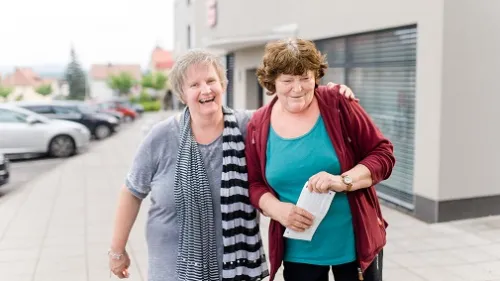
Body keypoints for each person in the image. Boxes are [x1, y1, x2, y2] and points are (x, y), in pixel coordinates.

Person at [108, 49, 357, 281]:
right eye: (194, 85)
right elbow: (131, 191)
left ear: (223, 85)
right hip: (172, 269)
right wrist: (117, 251)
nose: (205, 90)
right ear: (182, 94)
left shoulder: (251, 125)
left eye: (210, 81)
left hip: (235, 270)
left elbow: (292, 102)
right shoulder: (161, 136)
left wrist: (329, 93)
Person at [245, 38, 396, 281]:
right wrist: (278, 210)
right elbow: (254, 184)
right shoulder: (257, 125)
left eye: (305, 77)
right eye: (287, 80)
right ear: (272, 81)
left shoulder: (338, 104)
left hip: (354, 245)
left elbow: (383, 153)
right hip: (299, 253)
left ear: (316, 76)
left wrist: (343, 180)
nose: (298, 88)